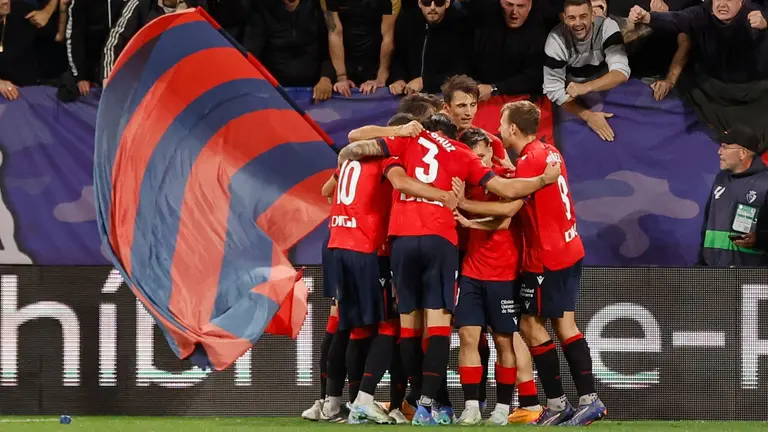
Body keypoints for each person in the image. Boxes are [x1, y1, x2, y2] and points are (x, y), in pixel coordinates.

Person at [337, 112, 561, 425]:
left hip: (400, 239)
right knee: (439, 327)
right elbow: (507, 190)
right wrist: (542, 181)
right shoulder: (461, 153)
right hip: (439, 240)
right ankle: (429, 406)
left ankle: (410, 403)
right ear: (453, 134)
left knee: (408, 328)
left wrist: (397, 130)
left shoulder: (407, 140)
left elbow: (356, 140)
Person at [323, 114, 461, 424]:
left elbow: (326, 187)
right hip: (369, 246)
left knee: (354, 327)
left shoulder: (353, 158)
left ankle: (332, 402)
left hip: (338, 243)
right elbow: (397, 179)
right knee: (389, 325)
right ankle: (365, 400)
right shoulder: (391, 156)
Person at [498, 100, 605, 426]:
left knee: (532, 325)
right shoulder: (550, 152)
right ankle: (581, 401)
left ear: (513, 128)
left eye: (502, 124)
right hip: (569, 246)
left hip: (547, 257)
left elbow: (509, 206)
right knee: (563, 325)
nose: (499, 130)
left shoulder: (531, 160)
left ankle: (566, 403)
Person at [451, 128, 524, 426]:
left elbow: (506, 218)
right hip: (471, 271)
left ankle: (503, 408)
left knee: (504, 341)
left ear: (491, 153)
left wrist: (469, 216)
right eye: (473, 157)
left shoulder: (506, 180)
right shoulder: (462, 182)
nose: (478, 161)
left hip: (504, 272)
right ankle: (470, 407)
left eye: (482, 155)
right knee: (468, 336)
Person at [543, 0, 630, 142]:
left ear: (592, 16)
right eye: (572, 18)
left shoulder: (607, 27)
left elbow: (621, 72)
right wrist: (589, 116)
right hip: (571, 94)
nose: (578, 23)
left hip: (603, 87)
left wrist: (586, 87)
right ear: (563, 18)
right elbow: (553, 91)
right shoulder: (555, 40)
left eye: (583, 16)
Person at [697, 125, 768, 267]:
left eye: (725, 147)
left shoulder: (765, 183)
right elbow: (707, 226)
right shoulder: (720, 180)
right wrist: (701, 265)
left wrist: (760, 239)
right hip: (715, 275)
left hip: (753, 278)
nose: (719, 152)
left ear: (742, 153)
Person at [242, 0, 336, 102]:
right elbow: (251, 54)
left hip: (314, 86)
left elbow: (328, 50)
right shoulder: (260, 9)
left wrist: (326, 78)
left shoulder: (317, 6)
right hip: (275, 89)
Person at [387, 0, 471, 95]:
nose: (432, 7)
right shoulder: (407, 22)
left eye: (438, 2)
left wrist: (425, 82)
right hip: (409, 95)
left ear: (447, 3)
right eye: (426, 2)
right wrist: (398, 79)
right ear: (419, 3)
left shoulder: (461, 27)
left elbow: (461, 73)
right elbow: (398, 59)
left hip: (443, 95)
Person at [324, 0, 397, 96]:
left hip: (375, 60)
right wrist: (341, 77)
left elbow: (388, 36)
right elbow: (334, 33)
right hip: (346, 60)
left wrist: (381, 78)